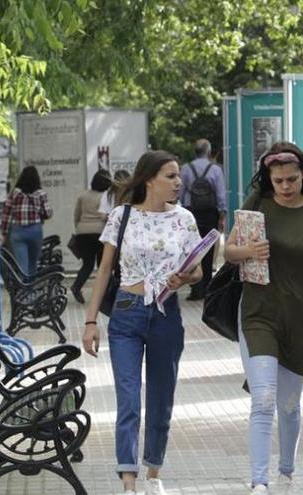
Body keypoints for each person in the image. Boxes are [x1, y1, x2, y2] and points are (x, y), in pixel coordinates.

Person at [223, 142, 303, 494]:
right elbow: (228, 251)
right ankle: (258, 482)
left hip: (301, 319)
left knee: (288, 406)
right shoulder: (257, 205)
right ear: (269, 180)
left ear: (302, 175)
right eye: (279, 181)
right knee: (263, 399)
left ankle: (286, 471)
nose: (286, 186)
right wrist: (247, 251)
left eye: (292, 179)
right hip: (258, 313)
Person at [81, 150, 203, 495]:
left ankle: (153, 472)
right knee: (129, 399)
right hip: (126, 314)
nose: (178, 182)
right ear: (149, 179)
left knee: (161, 398)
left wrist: (186, 278)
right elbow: (104, 270)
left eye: (178, 176)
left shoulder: (185, 219)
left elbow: (199, 269)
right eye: (170, 175)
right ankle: (128, 479)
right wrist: (90, 321)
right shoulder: (121, 216)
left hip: (167, 315)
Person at [179, 138, 227, 300]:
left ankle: (196, 289)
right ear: (208, 151)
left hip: (190, 213)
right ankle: (207, 287)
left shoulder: (186, 168)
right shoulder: (215, 169)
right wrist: (222, 214)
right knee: (207, 249)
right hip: (210, 213)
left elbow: (180, 192)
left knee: (192, 250)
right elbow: (221, 194)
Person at [0, 166, 53, 275]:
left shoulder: (15, 193)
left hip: (18, 231)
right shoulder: (41, 194)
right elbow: (48, 213)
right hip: (35, 231)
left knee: (22, 265)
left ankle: (24, 289)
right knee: (33, 264)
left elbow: (6, 214)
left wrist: (4, 233)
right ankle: (31, 290)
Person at [71, 169, 112, 303]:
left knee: (87, 264)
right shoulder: (106, 197)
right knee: (103, 265)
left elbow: (76, 215)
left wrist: (79, 228)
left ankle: (76, 286)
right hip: (101, 233)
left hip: (83, 233)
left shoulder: (83, 196)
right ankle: (104, 294)